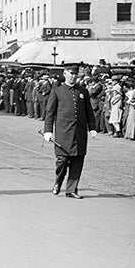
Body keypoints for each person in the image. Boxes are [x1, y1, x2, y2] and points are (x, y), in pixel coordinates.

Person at [43, 62, 96, 198]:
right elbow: (50, 112)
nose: (73, 77)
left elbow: (88, 111)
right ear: (65, 74)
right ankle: (58, 181)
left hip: (79, 132)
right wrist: (48, 131)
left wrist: (92, 127)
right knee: (62, 160)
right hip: (63, 132)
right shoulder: (57, 91)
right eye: (71, 74)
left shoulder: (82, 91)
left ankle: (72, 189)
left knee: (78, 159)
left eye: (75, 74)